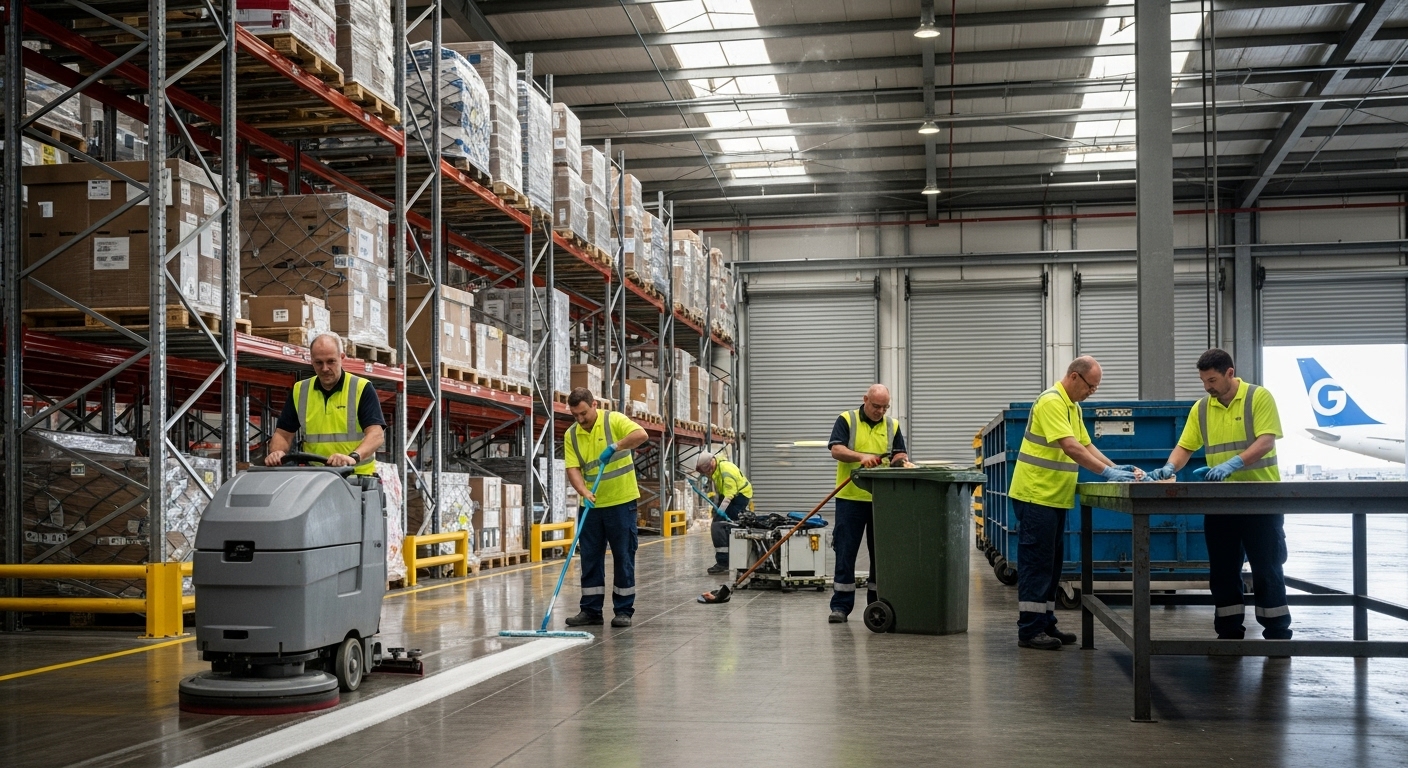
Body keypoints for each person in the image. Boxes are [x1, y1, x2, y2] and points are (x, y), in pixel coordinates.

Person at [1144, 349, 1289, 640]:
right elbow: (1186, 446)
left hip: (1260, 499)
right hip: (1220, 501)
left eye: (1212, 380)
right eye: (1203, 381)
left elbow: (1266, 441)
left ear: (1229, 374)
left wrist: (1234, 462)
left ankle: (1276, 631)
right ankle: (1228, 629)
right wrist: (1169, 466)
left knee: (1267, 567)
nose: (1207, 387)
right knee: (1223, 569)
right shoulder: (1202, 408)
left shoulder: (1258, 398)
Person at [1008, 356, 1140, 651]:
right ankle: (1029, 631)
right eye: (1091, 387)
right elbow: (1070, 447)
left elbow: (1085, 445)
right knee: (1037, 565)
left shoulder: (1073, 407)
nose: (1092, 392)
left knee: (1052, 567)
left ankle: (1045, 622)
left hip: (1053, 497)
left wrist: (1118, 468)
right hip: (1036, 494)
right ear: (1075, 377)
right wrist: (1106, 473)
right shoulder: (1052, 401)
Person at [561, 387, 650, 629]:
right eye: (575, 415)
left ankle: (623, 610)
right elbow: (573, 468)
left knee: (623, 556)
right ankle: (590, 610)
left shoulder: (614, 420)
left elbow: (641, 435)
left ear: (594, 406)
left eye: (583, 414)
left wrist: (616, 446)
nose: (580, 420)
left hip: (621, 503)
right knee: (590, 558)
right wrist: (583, 492)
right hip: (591, 504)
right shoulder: (571, 435)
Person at [826, 384, 910, 624]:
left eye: (885, 407)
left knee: (881, 555)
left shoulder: (892, 425)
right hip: (850, 498)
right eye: (876, 406)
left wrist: (900, 459)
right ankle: (841, 606)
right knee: (845, 552)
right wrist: (861, 456)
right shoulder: (847, 419)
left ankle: (877, 603)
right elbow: (836, 449)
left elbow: (899, 452)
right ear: (865, 399)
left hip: (881, 500)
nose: (880, 411)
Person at [266, 332, 385, 475]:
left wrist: (352, 457)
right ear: (311, 361)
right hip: (316, 478)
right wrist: (277, 453)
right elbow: (283, 434)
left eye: (331, 361)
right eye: (318, 363)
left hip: (356, 478)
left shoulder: (361, 388)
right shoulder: (300, 391)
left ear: (342, 358)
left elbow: (376, 435)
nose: (324, 368)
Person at [695, 453, 753, 575]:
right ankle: (731, 559)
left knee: (719, 526)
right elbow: (720, 492)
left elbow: (729, 495)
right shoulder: (717, 469)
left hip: (739, 497)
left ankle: (724, 562)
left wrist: (720, 512)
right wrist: (716, 508)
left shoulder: (726, 470)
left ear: (711, 464)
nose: (707, 475)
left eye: (706, 472)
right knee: (725, 524)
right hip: (732, 495)